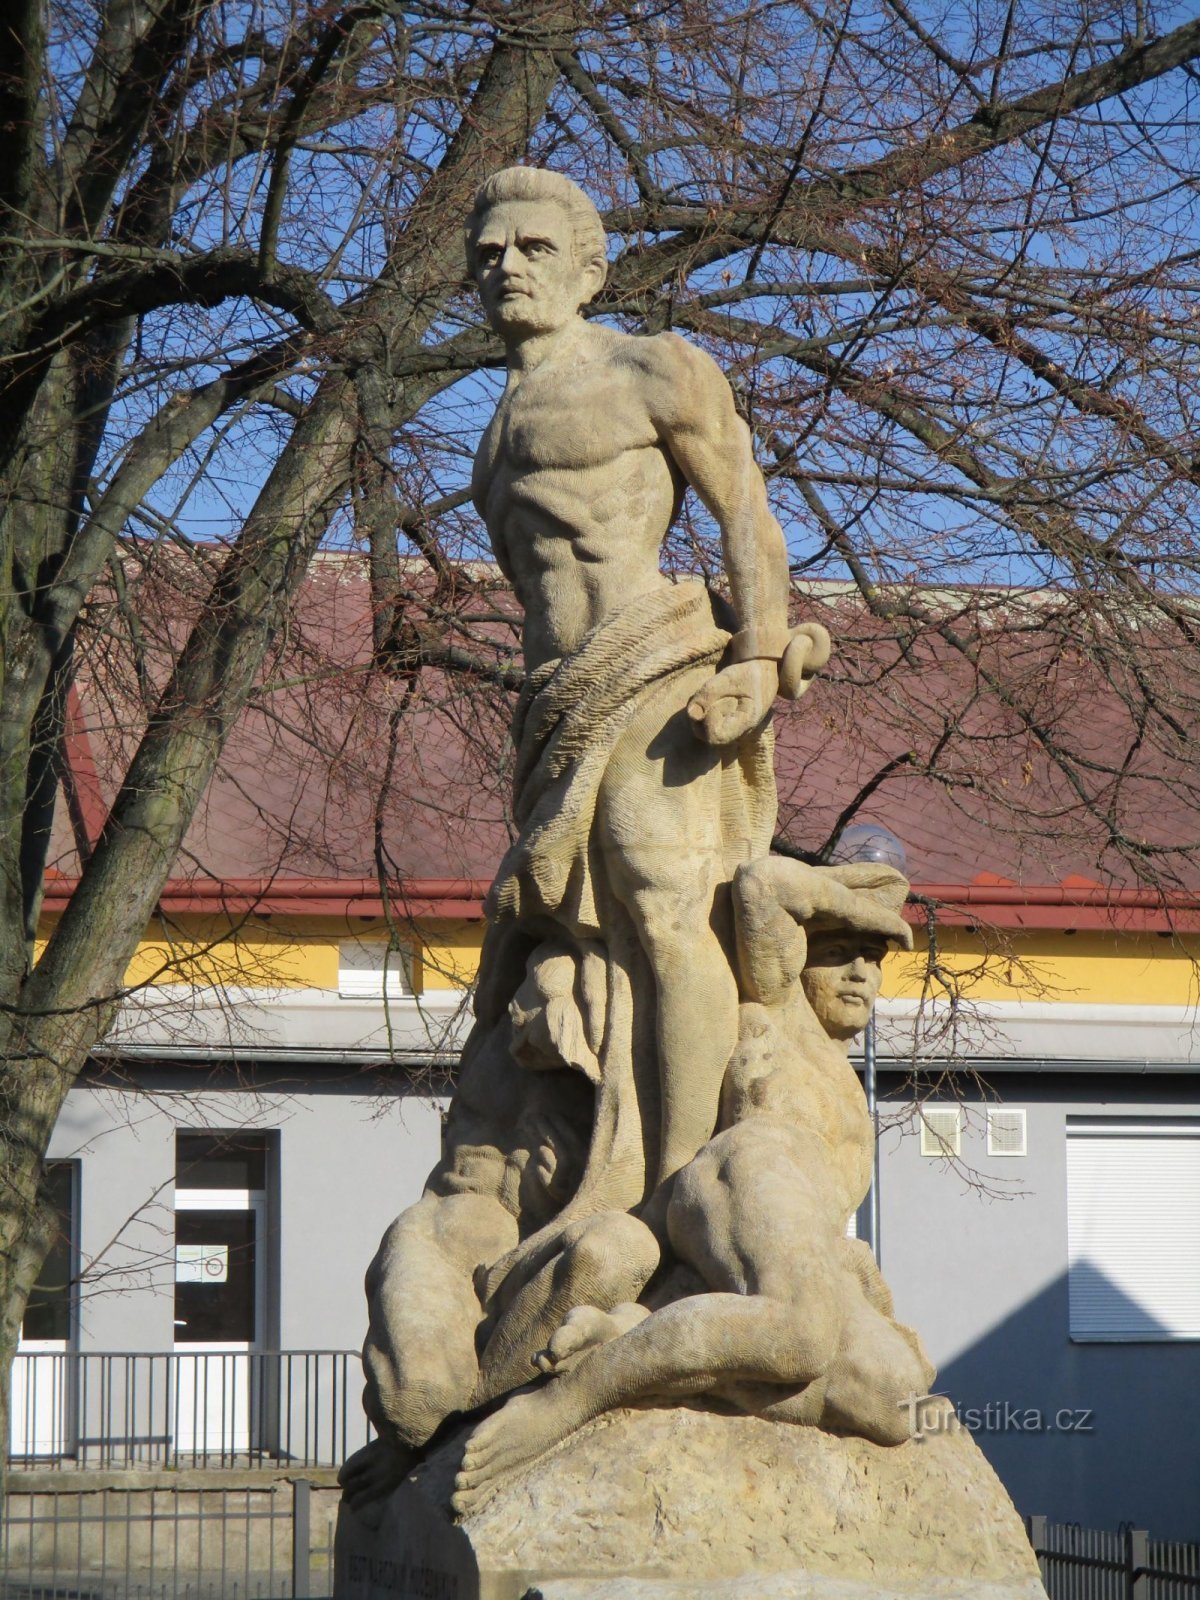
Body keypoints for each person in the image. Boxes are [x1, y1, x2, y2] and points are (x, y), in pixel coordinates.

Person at [452, 860, 938, 1516]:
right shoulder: (775, 1004)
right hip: (750, 1171)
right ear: (797, 963)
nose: (860, 972)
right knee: (803, 1335)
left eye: (872, 958)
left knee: (898, 1400)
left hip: (778, 1233)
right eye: (837, 953)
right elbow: (762, 884)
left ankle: (631, 1339)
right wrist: (858, 898)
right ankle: (579, 1394)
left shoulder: (843, 1077)